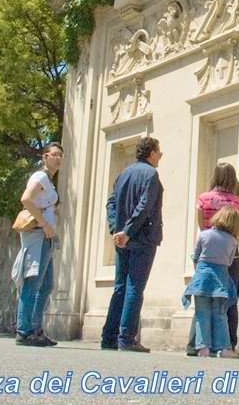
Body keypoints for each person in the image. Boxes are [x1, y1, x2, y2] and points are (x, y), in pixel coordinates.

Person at [101, 137, 164, 352]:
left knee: (120, 287)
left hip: (123, 240)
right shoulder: (151, 174)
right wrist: (127, 232)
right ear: (151, 153)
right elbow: (145, 205)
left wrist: (115, 230)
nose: (160, 156)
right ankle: (127, 337)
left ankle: (109, 336)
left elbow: (111, 203)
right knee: (134, 288)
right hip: (142, 238)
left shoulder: (124, 173)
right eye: (159, 152)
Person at [187, 163, 239, 355]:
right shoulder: (236, 202)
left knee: (203, 300)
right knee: (227, 301)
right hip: (230, 256)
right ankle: (228, 345)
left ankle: (196, 345)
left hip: (207, 254)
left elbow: (202, 226)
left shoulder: (203, 198)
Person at [13, 143, 64, 347]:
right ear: (45, 156)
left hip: (46, 236)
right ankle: (24, 330)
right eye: (55, 155)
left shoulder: (49, 180)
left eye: (61, 155)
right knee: (33, 282)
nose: (58, 158)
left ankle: (35, 328)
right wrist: (44, 224)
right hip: (38, 234)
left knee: (46, 284)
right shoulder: (40, 176)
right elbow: (26, 198)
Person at [183, 207, 239, 358]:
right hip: (221, 279)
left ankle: (203, 347)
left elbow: (196, 256)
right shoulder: (233, 241)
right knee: (220, 314)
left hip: (202, 278)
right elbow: (230, 261)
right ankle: (224, 348)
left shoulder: (204, 235)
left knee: (202, 313)